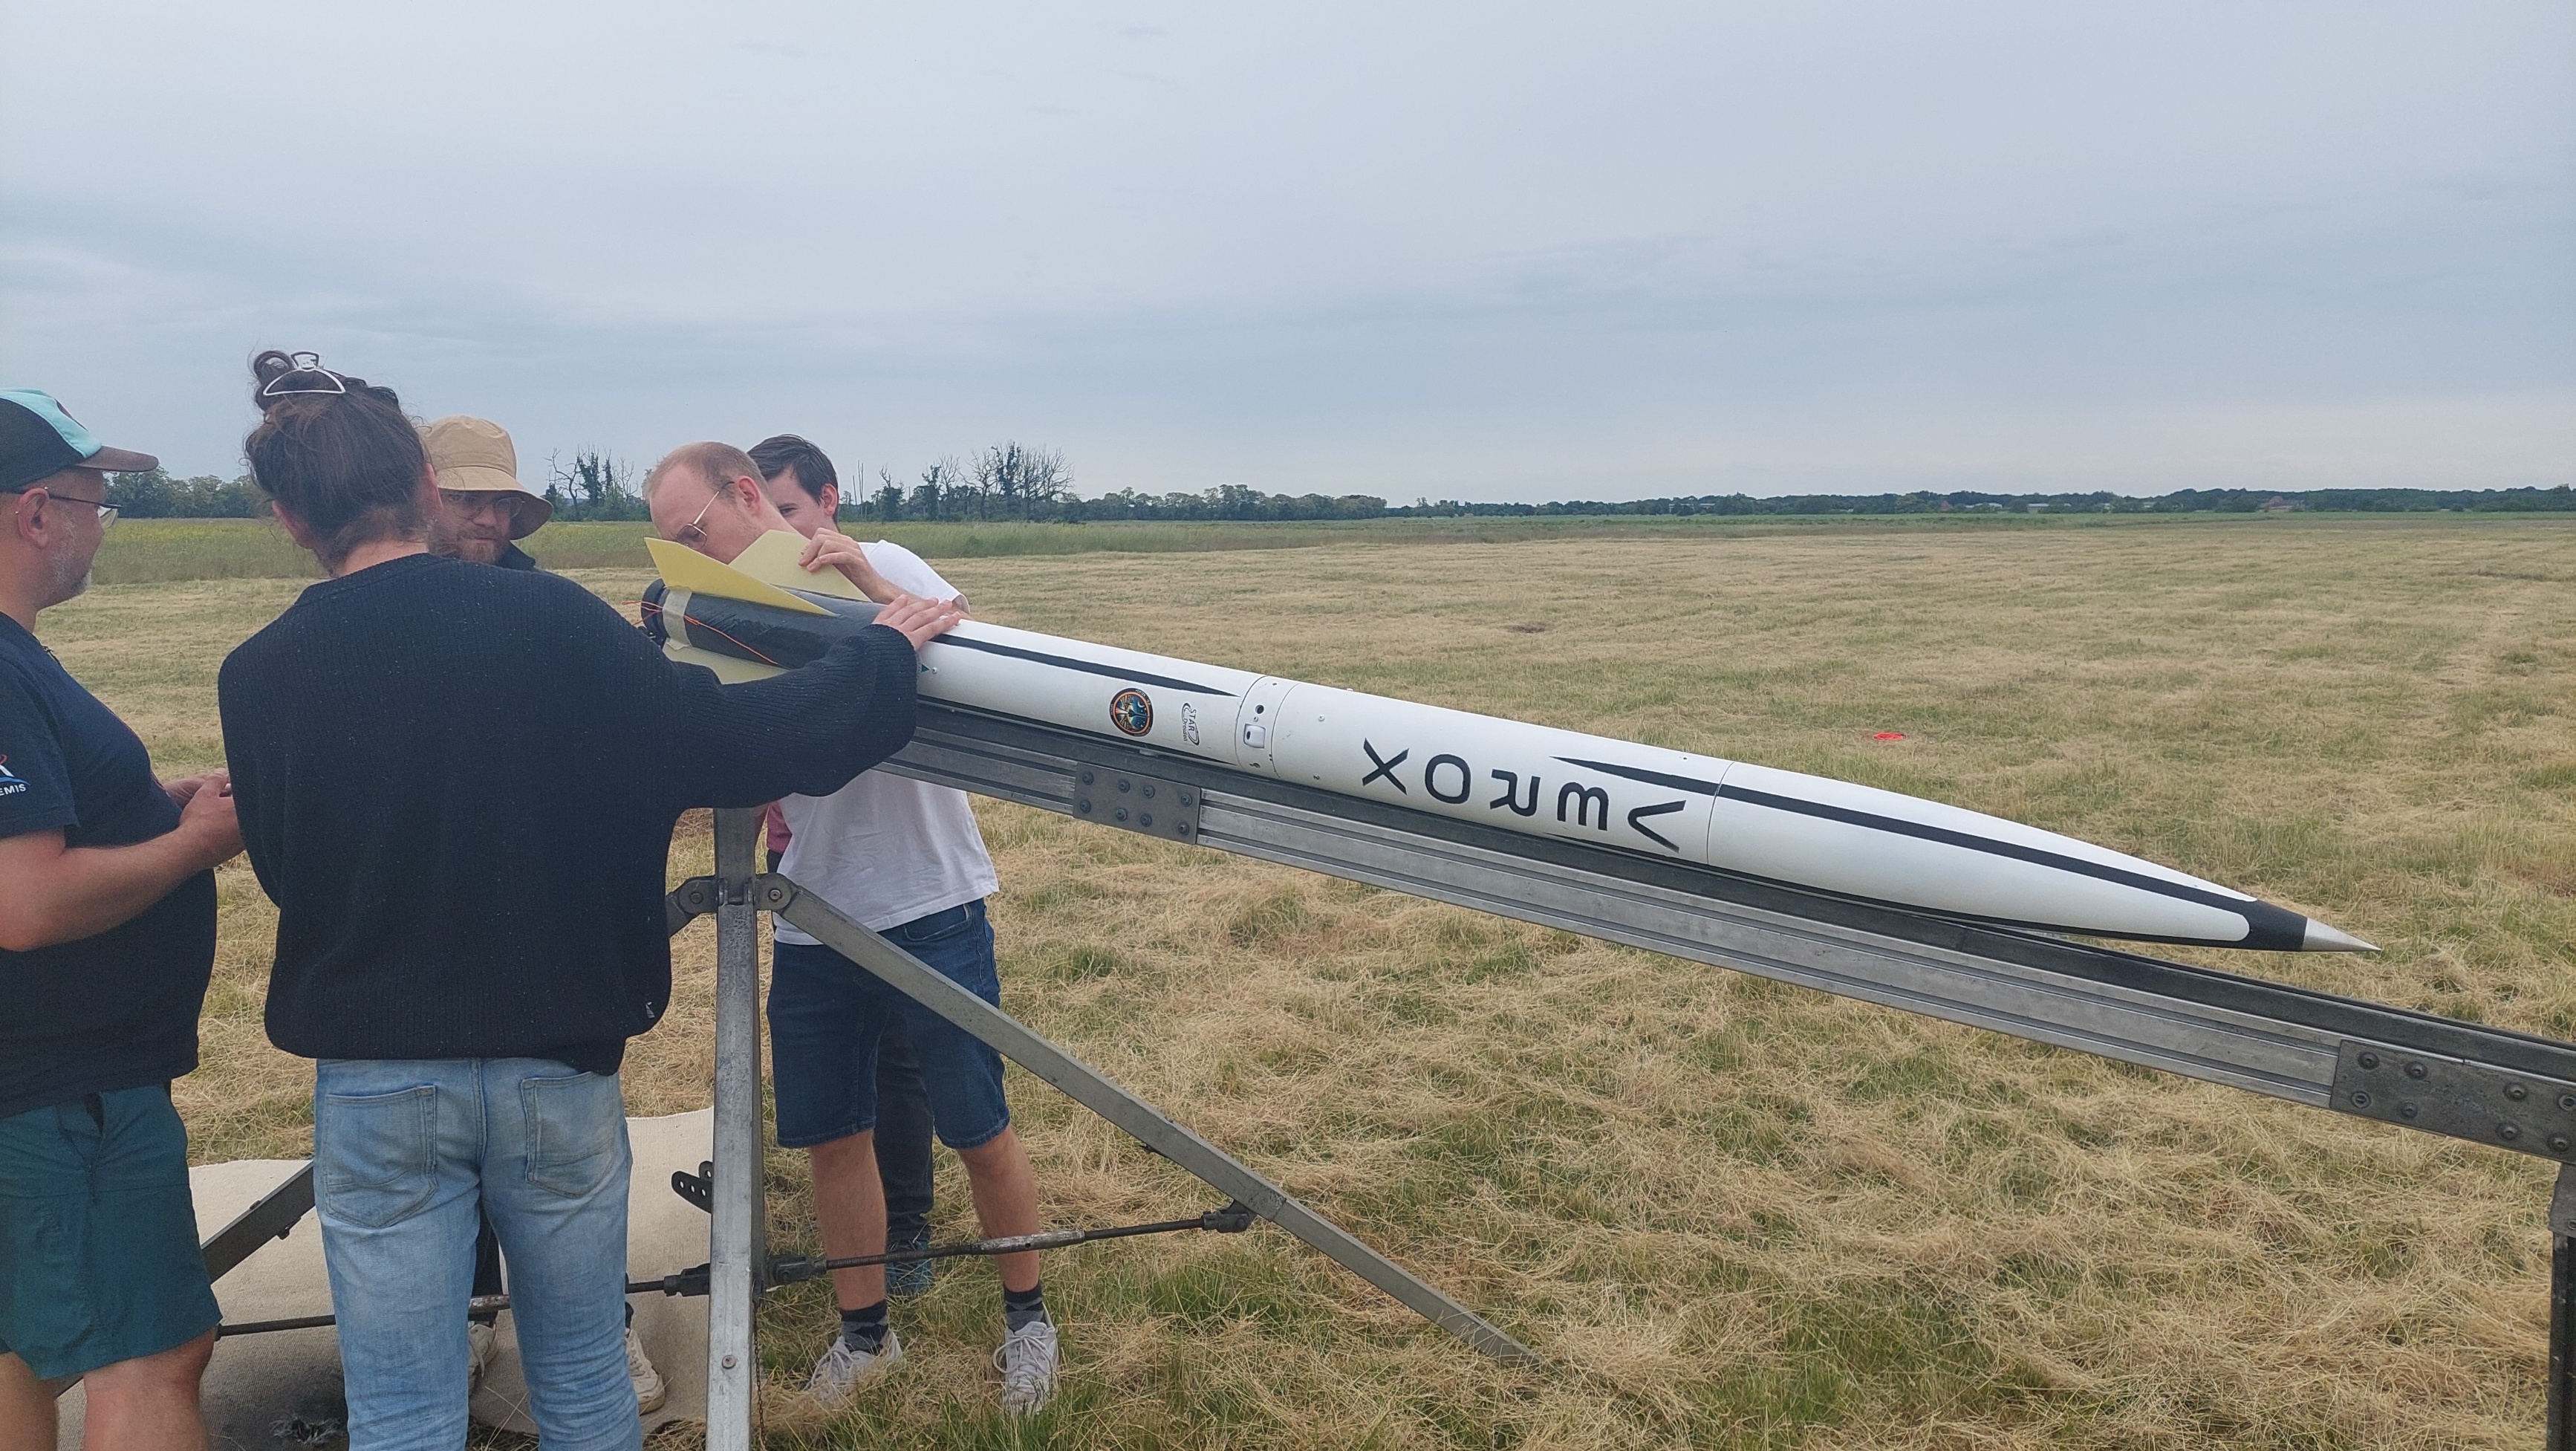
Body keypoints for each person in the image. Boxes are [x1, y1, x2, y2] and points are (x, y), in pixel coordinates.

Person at [218, 351, 962, 1451]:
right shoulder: (554, 621)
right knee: (580, 1378)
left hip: (374, 1084)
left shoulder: (256, 673)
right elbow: (726, 740)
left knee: (403, 1408)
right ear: (425, 486)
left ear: (289, 519)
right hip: (554, 1071)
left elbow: (290, 874)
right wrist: (880, 654)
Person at [645, 441, 1059, 1415]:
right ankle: (866, 1336)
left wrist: (873, 591)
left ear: (744, 495)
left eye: (694, 533)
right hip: (810, 912)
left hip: (931, 899)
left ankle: (1028, 1323)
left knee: (978, 1126)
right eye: (671, 546)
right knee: (834, 1137)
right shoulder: (717, 612)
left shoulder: (883, 562)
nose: (688, 556)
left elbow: (986, 670)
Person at [0, 390, 244, 1451]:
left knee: (20, 1351)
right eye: (96, 502)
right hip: (63, 1091)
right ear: (35, 513)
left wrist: (150, 806)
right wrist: (195, 846)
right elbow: (27, 902)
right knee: (149, 1357)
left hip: (35, 1085)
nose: (101, 526)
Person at [416, 413, 665, 1415]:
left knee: (561, 1150)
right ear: (421, 498)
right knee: (443, 1151)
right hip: (424, 913)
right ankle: (472, 1311)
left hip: (540, 907)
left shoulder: (553, 612)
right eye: (466, 498)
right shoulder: (378, 607)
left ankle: (601, 1321)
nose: (486, 517)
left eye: (500, 502)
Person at [746, 435, 952, 1304]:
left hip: (898, 854)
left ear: (829, 502)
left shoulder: (886, 561)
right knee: (831, 1054)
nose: (779, 528)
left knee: (899, 1052)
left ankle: (907, 1226)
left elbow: (971, 643)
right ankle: (851, 1227)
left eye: (791, 509)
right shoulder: (749, 583)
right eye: (763, 511)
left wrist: (867, 582)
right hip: (802, 851)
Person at [420, 415, 552, 570]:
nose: (489, 520)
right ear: (422, 501)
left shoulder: (537, 585)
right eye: (467, 499)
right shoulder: (395, 584)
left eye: (503, 504)